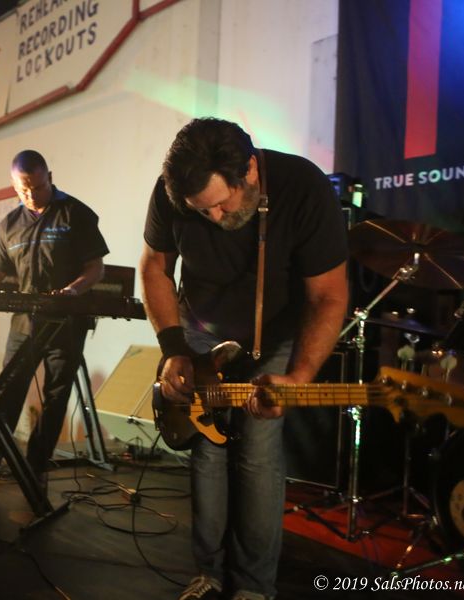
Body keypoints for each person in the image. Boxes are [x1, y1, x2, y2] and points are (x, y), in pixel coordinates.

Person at [139, 118, 348, 600]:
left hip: (273, 333)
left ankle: (253, 588)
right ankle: (209, 575)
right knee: (206, 448)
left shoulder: (303, 187)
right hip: (198, 329)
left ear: (249, 170)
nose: (213, 217)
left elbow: (328, 296)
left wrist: (299, 376)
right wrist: (173, 349)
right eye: (201, 210)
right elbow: (154, 267)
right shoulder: (171, 194)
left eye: (221, 203)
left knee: (256, 450)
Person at [0, 150, 109, 489]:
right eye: (22, 190)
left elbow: (95, 268)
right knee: (8, 392)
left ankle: (35, 467)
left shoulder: (76, 214)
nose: (30, 195)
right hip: (25, 324)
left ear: (49, 178)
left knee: (55, 396)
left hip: (65, 322)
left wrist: (72, 291)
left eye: (37, 188)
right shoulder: (10, 224)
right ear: (14, 186)